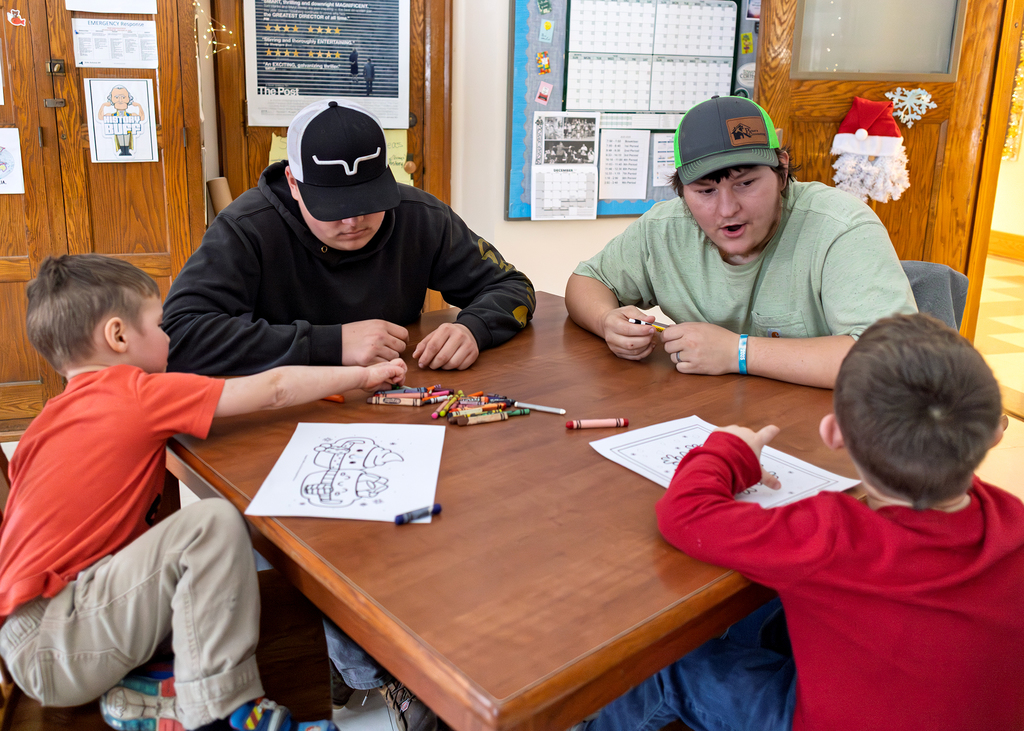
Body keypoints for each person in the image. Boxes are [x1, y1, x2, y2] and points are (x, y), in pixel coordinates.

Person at [0, 254, 408, 731]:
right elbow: (274, 388)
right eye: (160, 323)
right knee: (210, 524)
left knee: (183, 565)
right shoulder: (134, 392)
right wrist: (362, 377)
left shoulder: (45, 423)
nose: (171, 334)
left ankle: (154, 697)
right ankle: (221, 713)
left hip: (34, 636)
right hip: (62, 640)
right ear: (118, 336)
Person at [574, 314, 1024, 731]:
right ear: (995, 433)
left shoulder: (831, 536)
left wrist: (730, 450)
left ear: (834, 434)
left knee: (669, 666)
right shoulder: (1015, 521)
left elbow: (686, 514)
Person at [565, 95, 917, 389]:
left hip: (825, 434)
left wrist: (737, 352)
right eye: (705, 191)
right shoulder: (665, 226)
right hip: (714, 416)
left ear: (781, 169)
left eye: (746, 183)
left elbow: (891, 362)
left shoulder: (841, 226)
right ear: (681, 192)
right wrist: (606, 320)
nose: (727, 209)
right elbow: (587, 281)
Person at [162, 99, 534, 376]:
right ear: (293, 183)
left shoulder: (419, 215)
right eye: (333, 206)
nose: (354, 220)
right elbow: (177, 336)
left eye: (368, 200)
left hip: (395, 398)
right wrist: (329, 344)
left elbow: (513, 286)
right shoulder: (246, 228)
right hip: (281, 410)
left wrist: (474, 328)